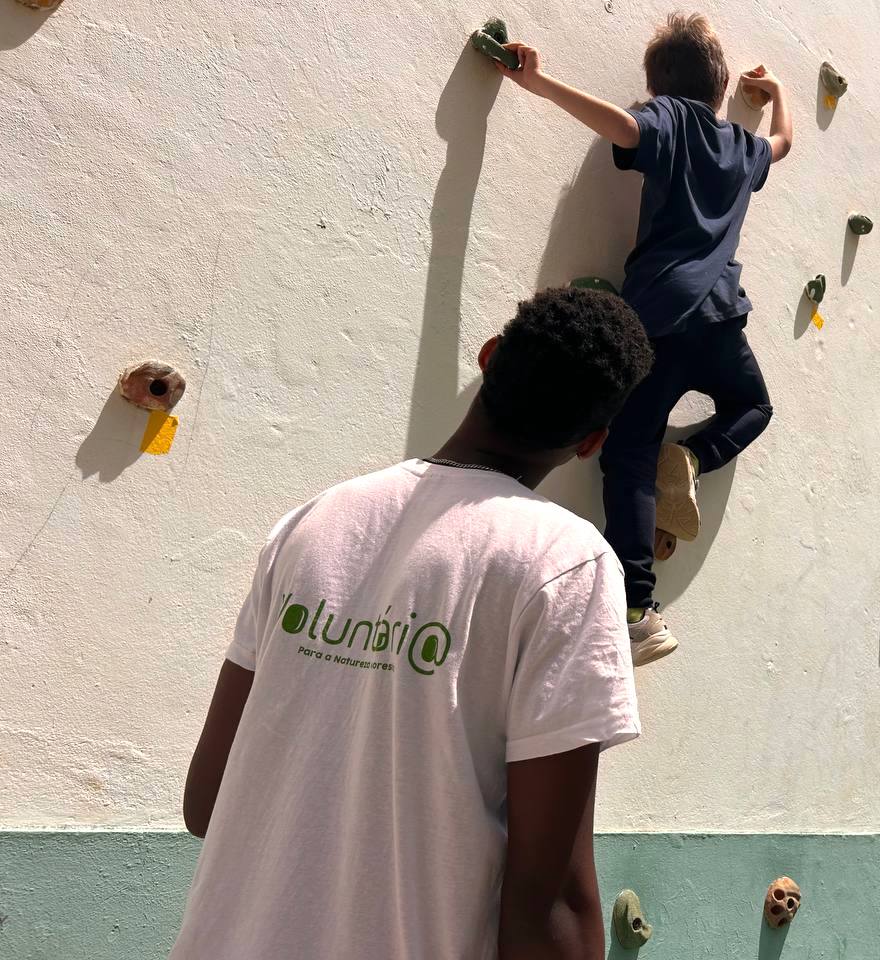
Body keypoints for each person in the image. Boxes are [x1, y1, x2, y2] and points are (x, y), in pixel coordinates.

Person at [168, 287, 654, 960]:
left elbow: (207, 802)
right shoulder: (563, 564)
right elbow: (551, 904)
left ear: (488, 357)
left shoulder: (314, 524)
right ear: (592, 442)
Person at [497, 12, 793, 664]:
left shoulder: (671, 118)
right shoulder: (740, 145)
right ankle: (692, 458)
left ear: (661, 87)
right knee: (754, 406)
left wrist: (540, 83)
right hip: (720, 321)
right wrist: (777, 94)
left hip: (656, 318)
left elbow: (627, 129)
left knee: (629, 454)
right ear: (722, 86)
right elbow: (784, 143)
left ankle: (637, 611)